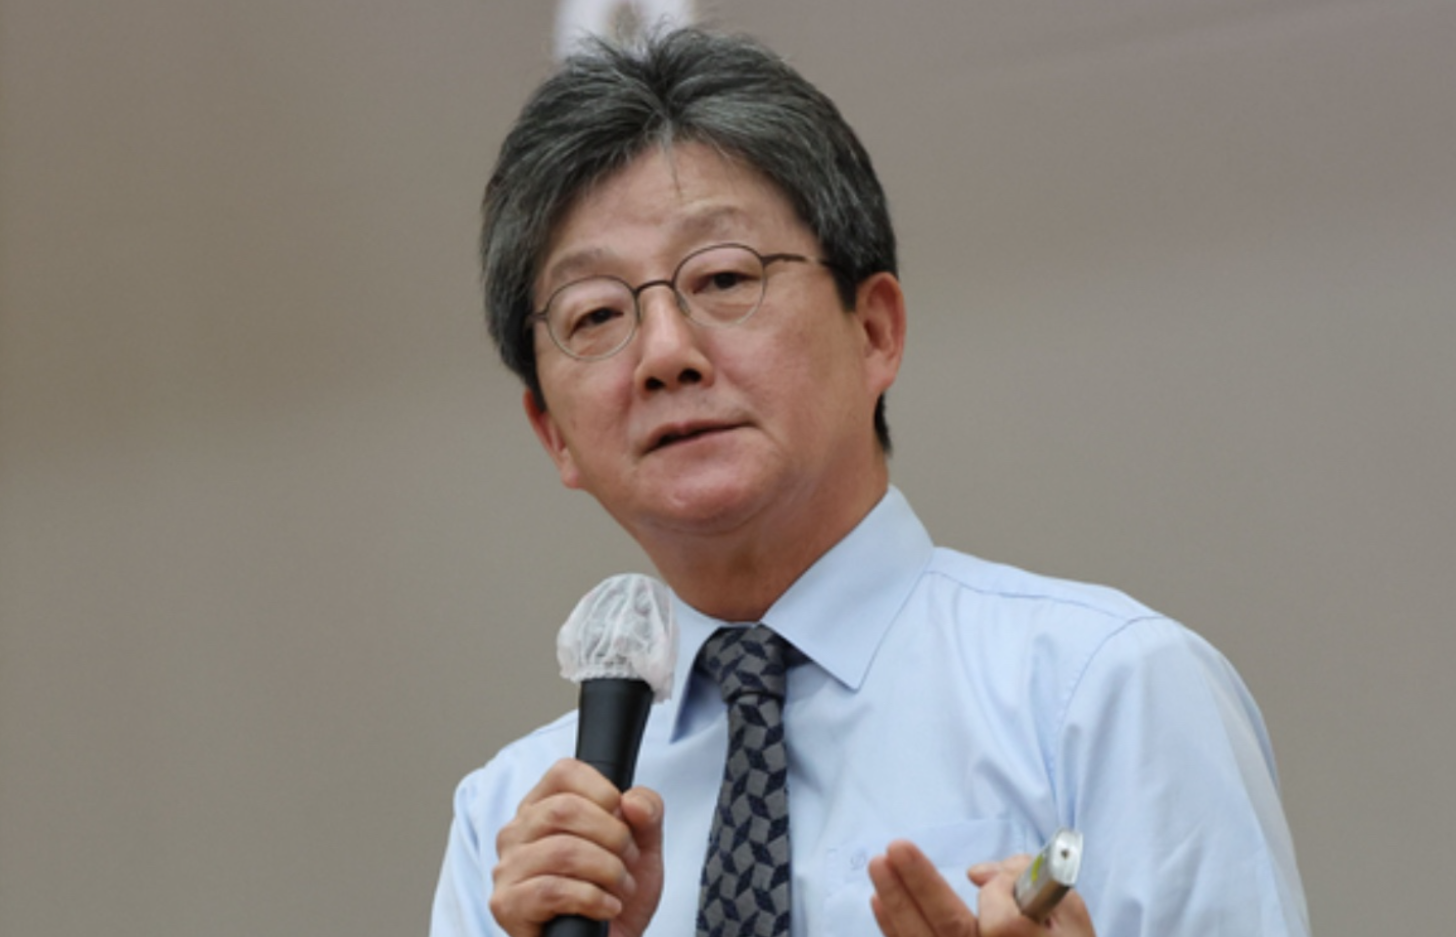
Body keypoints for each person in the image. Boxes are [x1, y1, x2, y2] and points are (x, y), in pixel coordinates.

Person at [431, 27, 1310, 937]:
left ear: (875, 330)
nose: (665, 353)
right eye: (595, 314)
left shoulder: (1104, 691)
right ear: (553, 433)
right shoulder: (514, 829)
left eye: (724, 276)